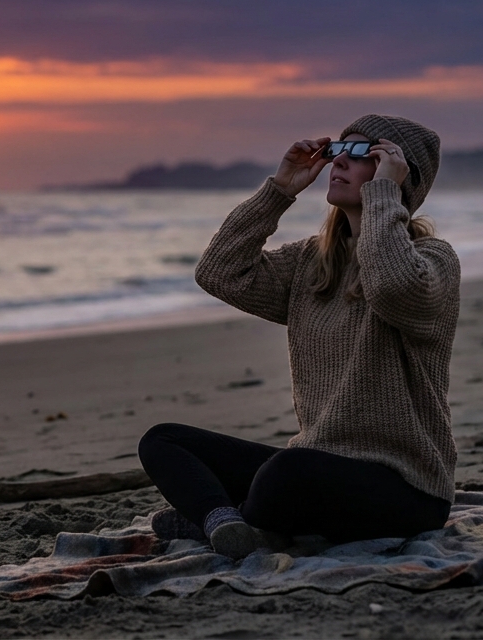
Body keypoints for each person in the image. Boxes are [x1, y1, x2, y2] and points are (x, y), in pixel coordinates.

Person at [138, 114, 459, 559]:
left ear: (398, 174)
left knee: (287, 472)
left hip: (408, 489)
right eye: (337, 151)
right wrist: (280, 191)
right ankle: (224, 523)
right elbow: (219, 272)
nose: (339, 162)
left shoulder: (432, 260)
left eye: (361, 153)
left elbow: (390, 286)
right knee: (164, 441)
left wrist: (384, 195)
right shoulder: (313, 260)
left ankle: (234, 520)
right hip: (319, 467)